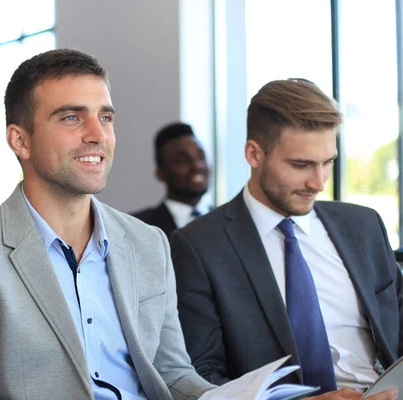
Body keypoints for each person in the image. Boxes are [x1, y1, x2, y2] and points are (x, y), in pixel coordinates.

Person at [0, 49, 215, 400]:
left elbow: (172, 374)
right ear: (19, 140)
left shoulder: (149, 243)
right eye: (72, 118)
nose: (97, 134)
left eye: (106, 117)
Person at [172, 79, 401, 400]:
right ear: (254, 154)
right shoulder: (198, 246)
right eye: (301, 165)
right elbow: (201, 376)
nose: (318, 182)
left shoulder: (363, 225)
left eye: (328, 162)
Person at [132, 122, 211, 238]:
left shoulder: (227, 220)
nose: (197, 166)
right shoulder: (138, 227)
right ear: (160, 174)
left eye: (200, 157)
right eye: (182, 160)